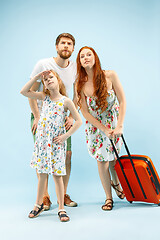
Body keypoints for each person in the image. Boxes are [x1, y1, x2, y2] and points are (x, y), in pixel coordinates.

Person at [20, 70, 82, 221]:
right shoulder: (44, 97)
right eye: (45, 80)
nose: (48, 80)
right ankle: (38, 204)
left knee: (57, 176)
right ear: (45, 85)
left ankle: (61, 208)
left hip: (56, 144)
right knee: (42, 175)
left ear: (58, 80)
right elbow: (24, 92)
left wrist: (66, 136)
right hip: (42, 143)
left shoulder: (66, 101)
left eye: (51, 78)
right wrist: (36, 78)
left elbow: (78, 121)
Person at [29, 33, 78, 210]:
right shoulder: (43, 64)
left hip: (62, 118)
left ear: (73, 49)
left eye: (69, 44)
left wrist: (72, 117)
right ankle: (44, 197)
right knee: (43, 158)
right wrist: (36, 115)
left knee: (67, 155)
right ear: (56, 47)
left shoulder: (74, 68)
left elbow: (76, 93)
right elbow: (32, 92)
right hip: (42, 118)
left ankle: (62, 195)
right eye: (63, 43)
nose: (66, 46)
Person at [76, 46, 126, 211]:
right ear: (80, 62)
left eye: (89, 54)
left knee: (113, 158)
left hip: (113, 123)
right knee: (102, 160)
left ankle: (116, 183)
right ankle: (108, 197)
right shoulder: (80, 83)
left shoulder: (110, 75)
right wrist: (103, 129)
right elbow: (84, 112)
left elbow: (123, 101)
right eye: (82, 56)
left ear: (95, 57)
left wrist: (119, 125)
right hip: (97, 128)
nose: (86, 58)